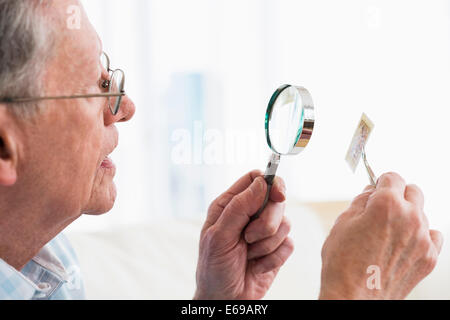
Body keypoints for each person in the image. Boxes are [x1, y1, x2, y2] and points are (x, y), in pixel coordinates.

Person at [0, 0, 442, 300]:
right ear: (5, 146)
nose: (125, 108)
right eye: (97, 86)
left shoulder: (46, 268)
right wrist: (356, 290)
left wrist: (216, 301)